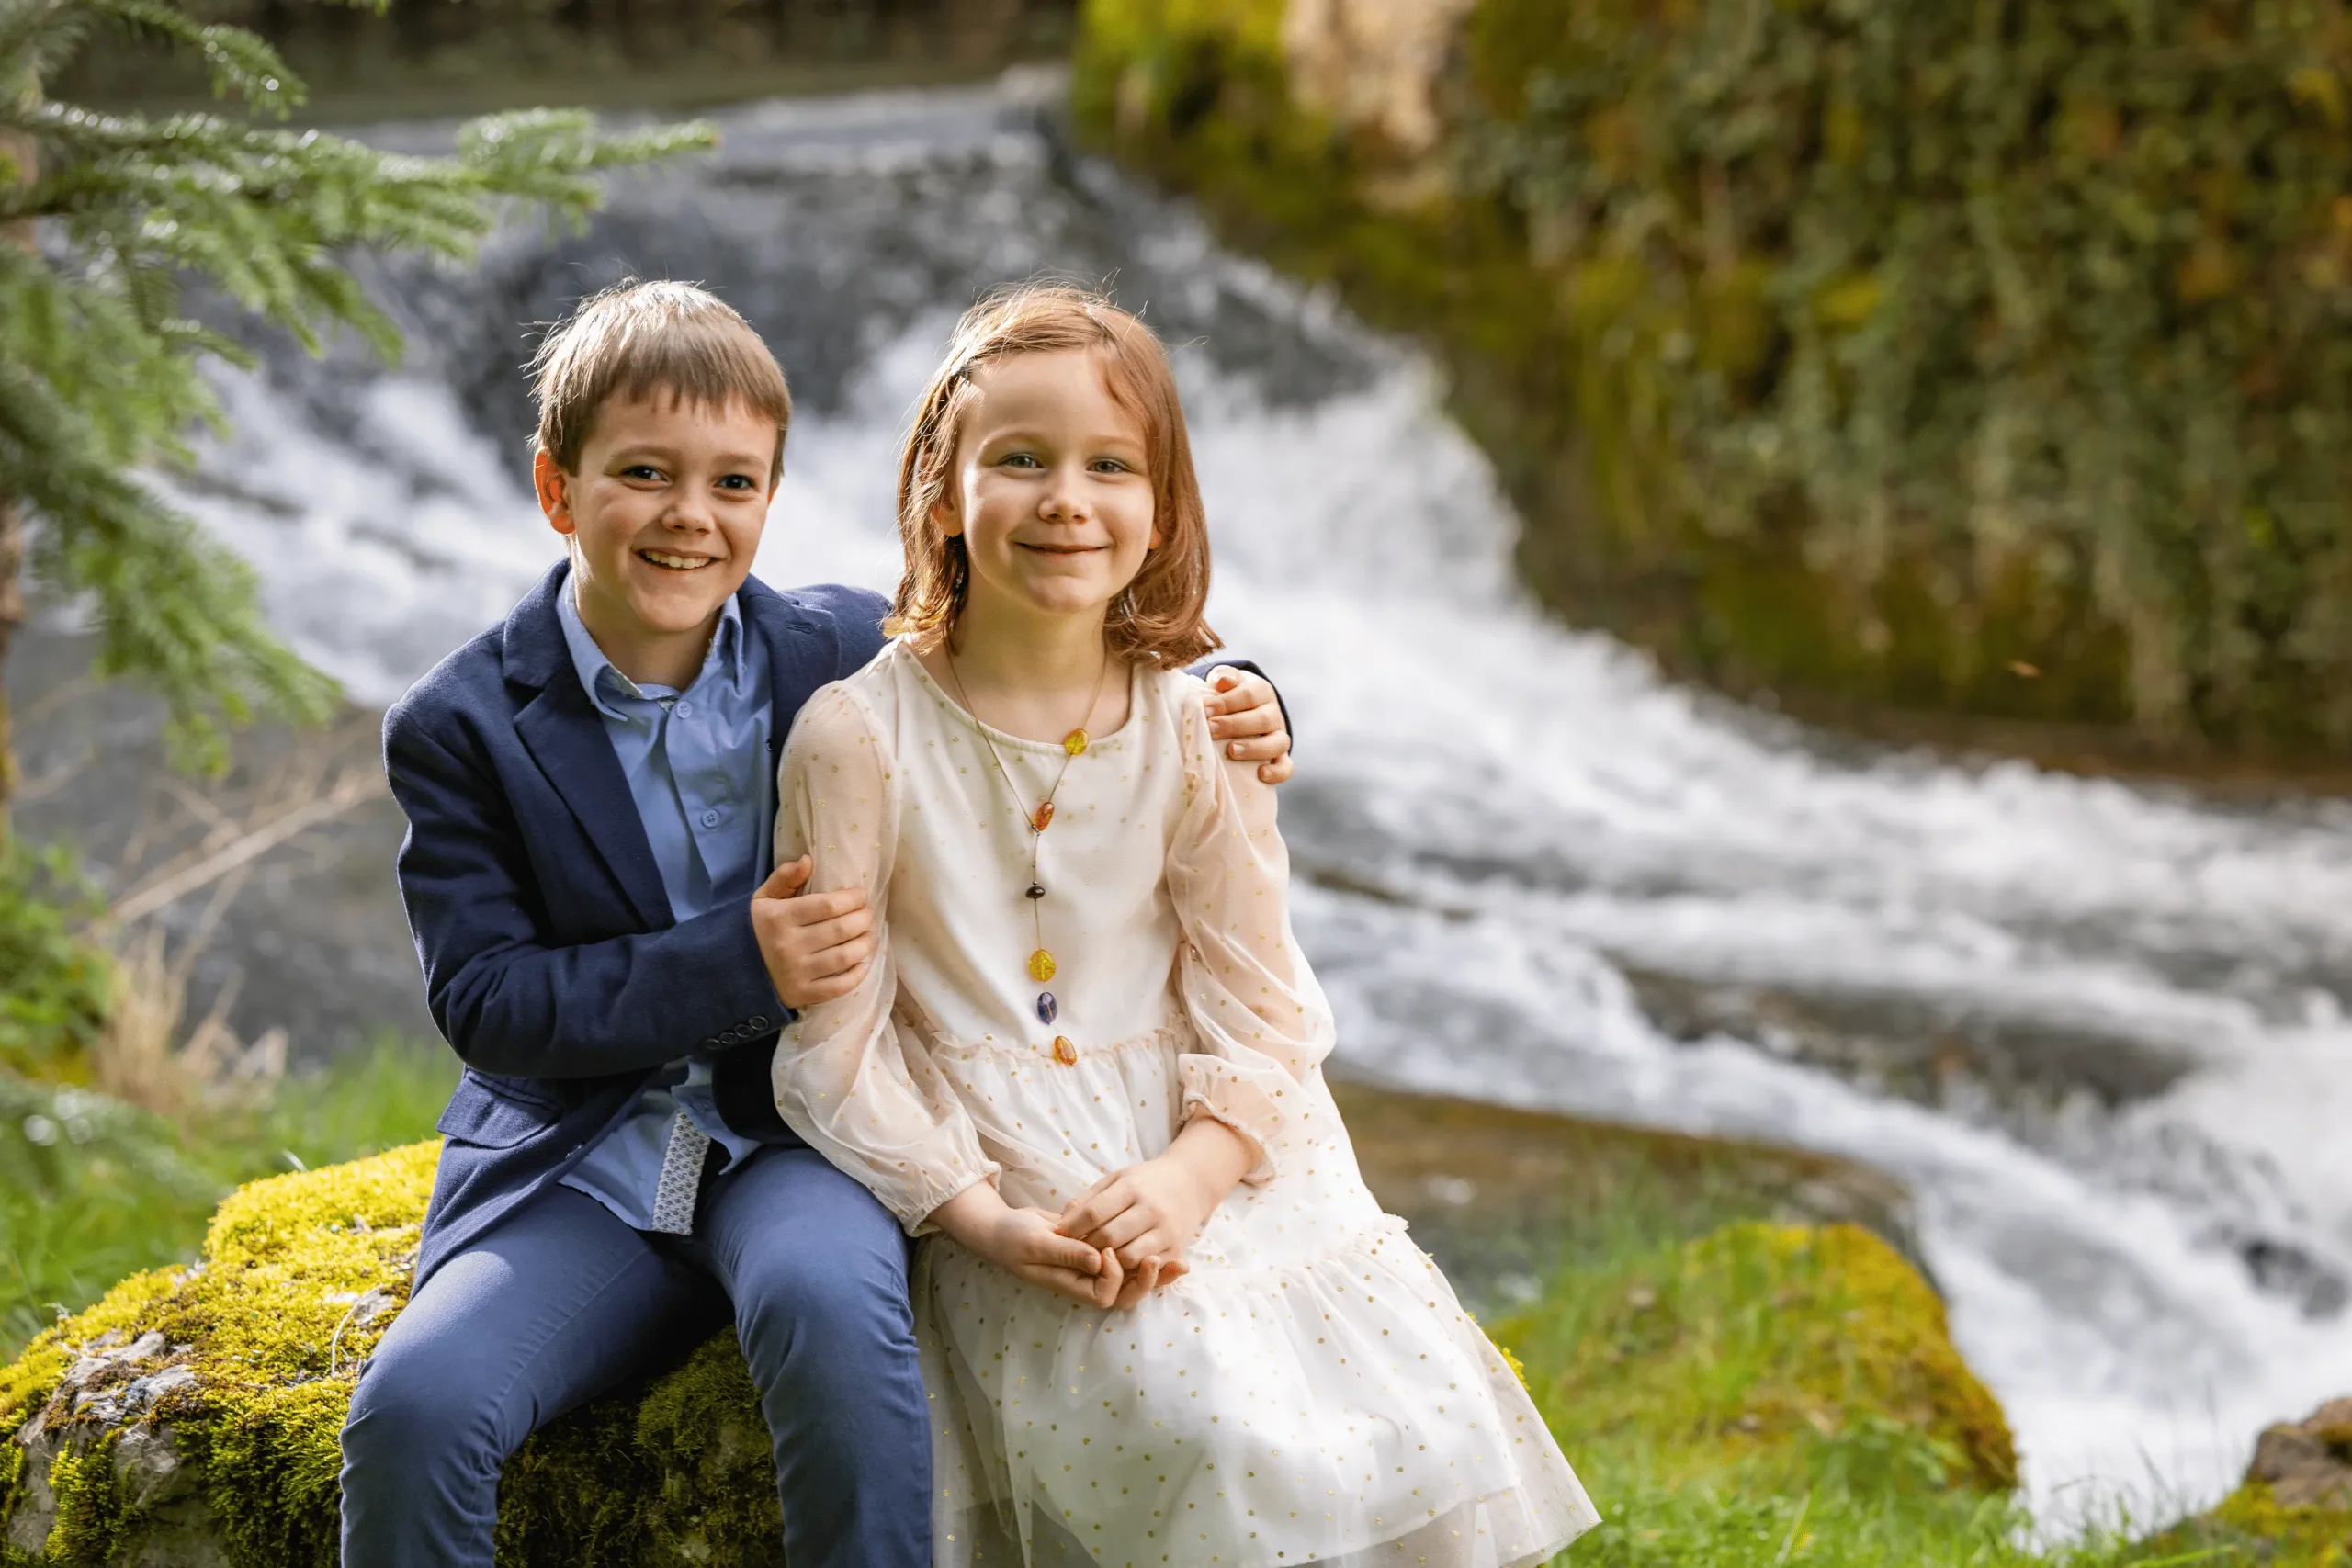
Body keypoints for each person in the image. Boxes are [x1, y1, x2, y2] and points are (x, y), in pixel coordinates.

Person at [339, 279, 1295, 1568]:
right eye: (644, 474)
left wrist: (1249, 697)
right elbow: (490, 1003)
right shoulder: (458, 723)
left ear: (771, 497)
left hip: (801, 1136)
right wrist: (739, 960)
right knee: (416, 1408)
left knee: (834, 1314)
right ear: (557, 488)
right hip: (586, 1165)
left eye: (735, 482)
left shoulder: (840, 650)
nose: (692, 516)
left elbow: (1053, 655)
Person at [769, 283, 1600, 1568]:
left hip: (1215, 1142)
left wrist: (1193, 1172)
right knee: (1196, 1426)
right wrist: (982, 1219)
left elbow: (1260, 988)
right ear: (941, 491)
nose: (1067, 499)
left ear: (1160, 511)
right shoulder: (857, 737)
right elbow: (845, 1040)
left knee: (1409, 1412)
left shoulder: (1194, 720)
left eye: (1113, 466)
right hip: (1017, 1172)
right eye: (1021, 460)